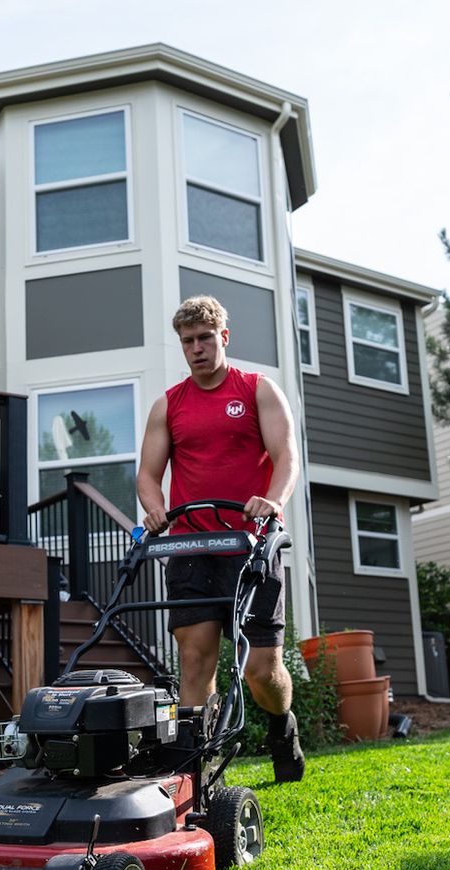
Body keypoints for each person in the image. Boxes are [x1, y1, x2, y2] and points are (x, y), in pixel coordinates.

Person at [136, 295, 305, 782]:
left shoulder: (257, 390)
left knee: (261, 671)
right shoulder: (168, 405)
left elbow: (286, 457)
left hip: (252, 545)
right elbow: (148, 475)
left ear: (223, 338)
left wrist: (272, 501)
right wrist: (154, 509)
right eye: (187, 342)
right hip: (191, 547)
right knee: (195, 660)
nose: (196, 348)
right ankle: (199, 769)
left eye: (205, 338)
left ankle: (281, 725)